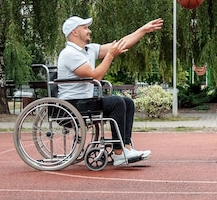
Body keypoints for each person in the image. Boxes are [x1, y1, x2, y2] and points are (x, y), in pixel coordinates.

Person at [57, 15, 164, 166]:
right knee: (117, 102)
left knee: (127, 102)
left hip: (86, 102)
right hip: (74, 104)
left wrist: (143, 30)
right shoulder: (69, 54)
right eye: (85, 28)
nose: (89, 31)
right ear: (75, 32)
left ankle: (126, 148)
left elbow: (121, 44)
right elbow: (96, 76)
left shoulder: (88, 49)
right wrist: (110, 55)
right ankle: (119, 153)